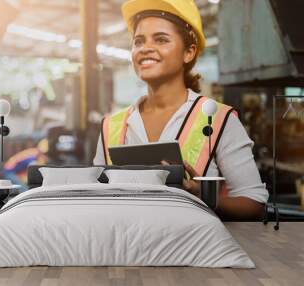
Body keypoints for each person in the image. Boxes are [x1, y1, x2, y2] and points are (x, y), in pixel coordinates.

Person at [93, 0, 269, 220]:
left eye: (161, 39)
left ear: (189, 52)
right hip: (124, 251)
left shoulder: (217, 119)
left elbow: (254, 203)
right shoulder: (111, 126)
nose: (145, 48)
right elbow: (97, 196)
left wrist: (203, 197)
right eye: (138, 41)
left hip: (193, 252)